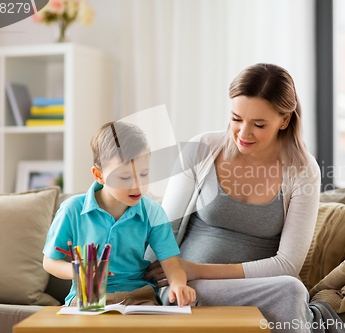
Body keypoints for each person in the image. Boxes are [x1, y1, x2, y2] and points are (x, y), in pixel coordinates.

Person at [144, 63, 321, 333]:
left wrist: (197, 269)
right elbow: (163, 230)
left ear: (285, 120)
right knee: (185, 295)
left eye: (259, 124)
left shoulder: (303, 170)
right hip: (188, 288)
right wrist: (145, 282)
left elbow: (287, 264)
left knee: (292, 289)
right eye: (236, 118)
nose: (243, 133)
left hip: (254, 288)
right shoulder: (203, 149)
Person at [43, 121, 196, 307]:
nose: (137, 186)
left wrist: (178, 285)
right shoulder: (72, 209)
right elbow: (50, 262)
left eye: (144, 174)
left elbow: (172, 265)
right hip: (88, 297)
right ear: (99, 175)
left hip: (139, 297)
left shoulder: (153, 212)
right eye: (125, 177)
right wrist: (78, 271)